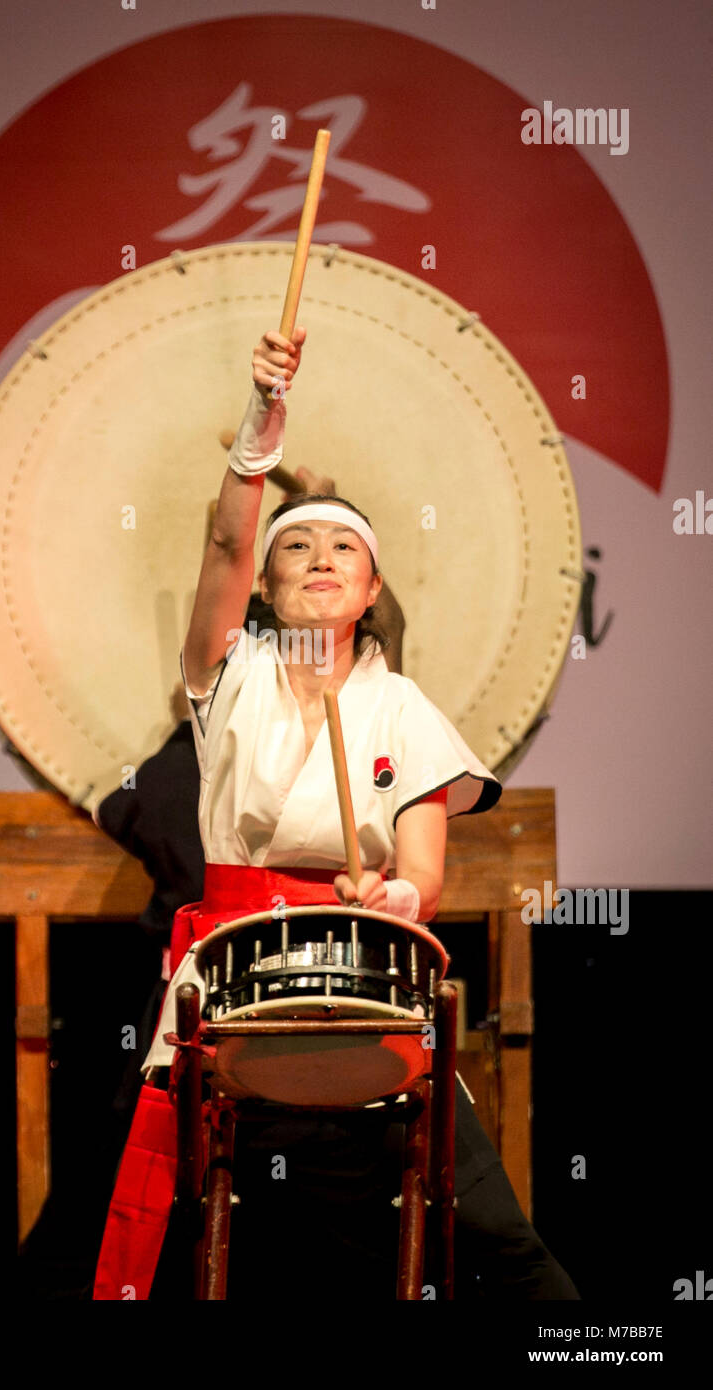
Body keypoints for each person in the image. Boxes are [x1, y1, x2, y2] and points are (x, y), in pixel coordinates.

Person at [92, 326, 579, 1301]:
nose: (318, 556)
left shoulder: (401, 709)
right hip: (234, 975)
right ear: (265, 587)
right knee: (131, 1206)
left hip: (366, 971)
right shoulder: (227, 673)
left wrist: (394, 893)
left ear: (369, 587)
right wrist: (257, 425)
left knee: (497, 1237)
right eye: (296, 546)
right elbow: (229, 533)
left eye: (342, 546)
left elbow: (423, 870)